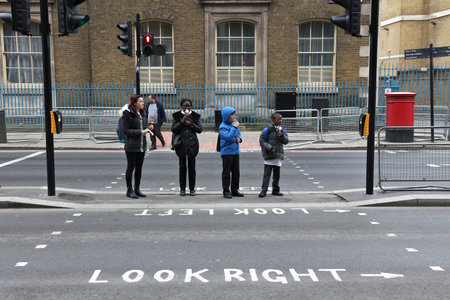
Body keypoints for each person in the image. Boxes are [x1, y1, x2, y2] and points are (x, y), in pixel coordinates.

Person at [122, 94, 152, 198]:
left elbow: (143, 127)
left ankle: (137, 188)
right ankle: (129, 190)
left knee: (139, 168)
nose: (143, 103)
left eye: (142, 101)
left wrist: (148, 128)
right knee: (131, 167)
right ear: (134, 103)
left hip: (141, 145)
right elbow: (125, 130)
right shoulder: (128, 115)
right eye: (140, 101)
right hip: (131, 146)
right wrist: (140, 132)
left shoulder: (142, 113)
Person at [171, 99, 202, 196]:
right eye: (185, 106)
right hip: (181, 144)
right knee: (182, 167)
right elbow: (174, 129)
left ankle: (192, 189)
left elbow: (199, 130)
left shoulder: (195, 116)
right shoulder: (177, 116)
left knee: (192, 167)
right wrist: (182, 121)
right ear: (181, 106)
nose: (187, 108)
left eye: (188, 106)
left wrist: (191, 124)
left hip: (192, 144)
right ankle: (182, 188)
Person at [258, 112, 289, 198]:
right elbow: (262, 141)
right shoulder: (267, 130)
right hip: (269, 155)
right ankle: (263, 191)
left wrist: (281, 135)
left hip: (278, 155)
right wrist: (270, 148)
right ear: (273, 120)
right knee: (267, 175)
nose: (280, 121)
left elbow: (286, 141)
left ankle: (275, 190)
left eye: (281, 119)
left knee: (276, 174)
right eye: (278, 119)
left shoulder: (281, 130)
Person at [219, 107, 244, 199]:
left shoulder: (234, 124)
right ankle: (226, 190)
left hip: (235, 151)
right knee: (226, 172)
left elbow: (239, 134)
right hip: (227, 153)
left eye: (234, 114)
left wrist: (240, 139)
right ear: (226, 116)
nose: (233, 116)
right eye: (231, 115)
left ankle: (234, 189)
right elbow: (228, 137)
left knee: (236, 172)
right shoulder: (222, 127)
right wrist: (234, 128)